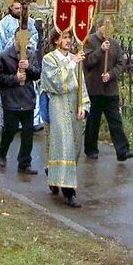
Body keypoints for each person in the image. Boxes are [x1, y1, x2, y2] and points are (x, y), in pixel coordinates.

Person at [40, 29, 90, 208]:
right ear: (56, 40)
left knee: (75, 147)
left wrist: (83, 105)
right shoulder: (49, 59)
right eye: (64, 37)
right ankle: (69, 193)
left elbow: (81, 84)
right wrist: (71, 64)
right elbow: (55, 83)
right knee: (64, 146)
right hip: (58, 105)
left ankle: (53, 173)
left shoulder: (75, 59)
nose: (68, 41)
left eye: (70, 37)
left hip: (73, 105)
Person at [82, 16, 133, 161]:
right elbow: (88, 62)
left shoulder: (115, 44)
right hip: (95, 89)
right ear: (98, 27)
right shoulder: (89, 41)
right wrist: (101, 51)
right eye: (105, 26)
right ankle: (91, 149)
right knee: (93, 121)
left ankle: (122, 150)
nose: (108, 30)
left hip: (110, 89)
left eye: (110, 27)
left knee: (115, 120)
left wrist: (110, 74)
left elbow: (120, 64)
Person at [0, 35, 42, 174]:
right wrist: (15, 78)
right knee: (10, 130)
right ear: (16, 39)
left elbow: (37, 73)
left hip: (27, 99)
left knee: (28, 134)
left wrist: (29, 67)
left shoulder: (31, 55)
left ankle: (24, 163)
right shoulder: (4, 56)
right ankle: (2, 152)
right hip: (11, 100)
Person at [0, 0, 43, 130]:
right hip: (9, 62)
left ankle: (31, 122)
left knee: (29, 90)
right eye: (16, 8)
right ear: (11, 8)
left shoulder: (30, 22)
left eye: (21, 8)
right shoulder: (3, 23)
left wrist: (26, 45)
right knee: (9, 92)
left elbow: (35, 39)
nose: (19, 11)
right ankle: (9, 123)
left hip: (26, 60)